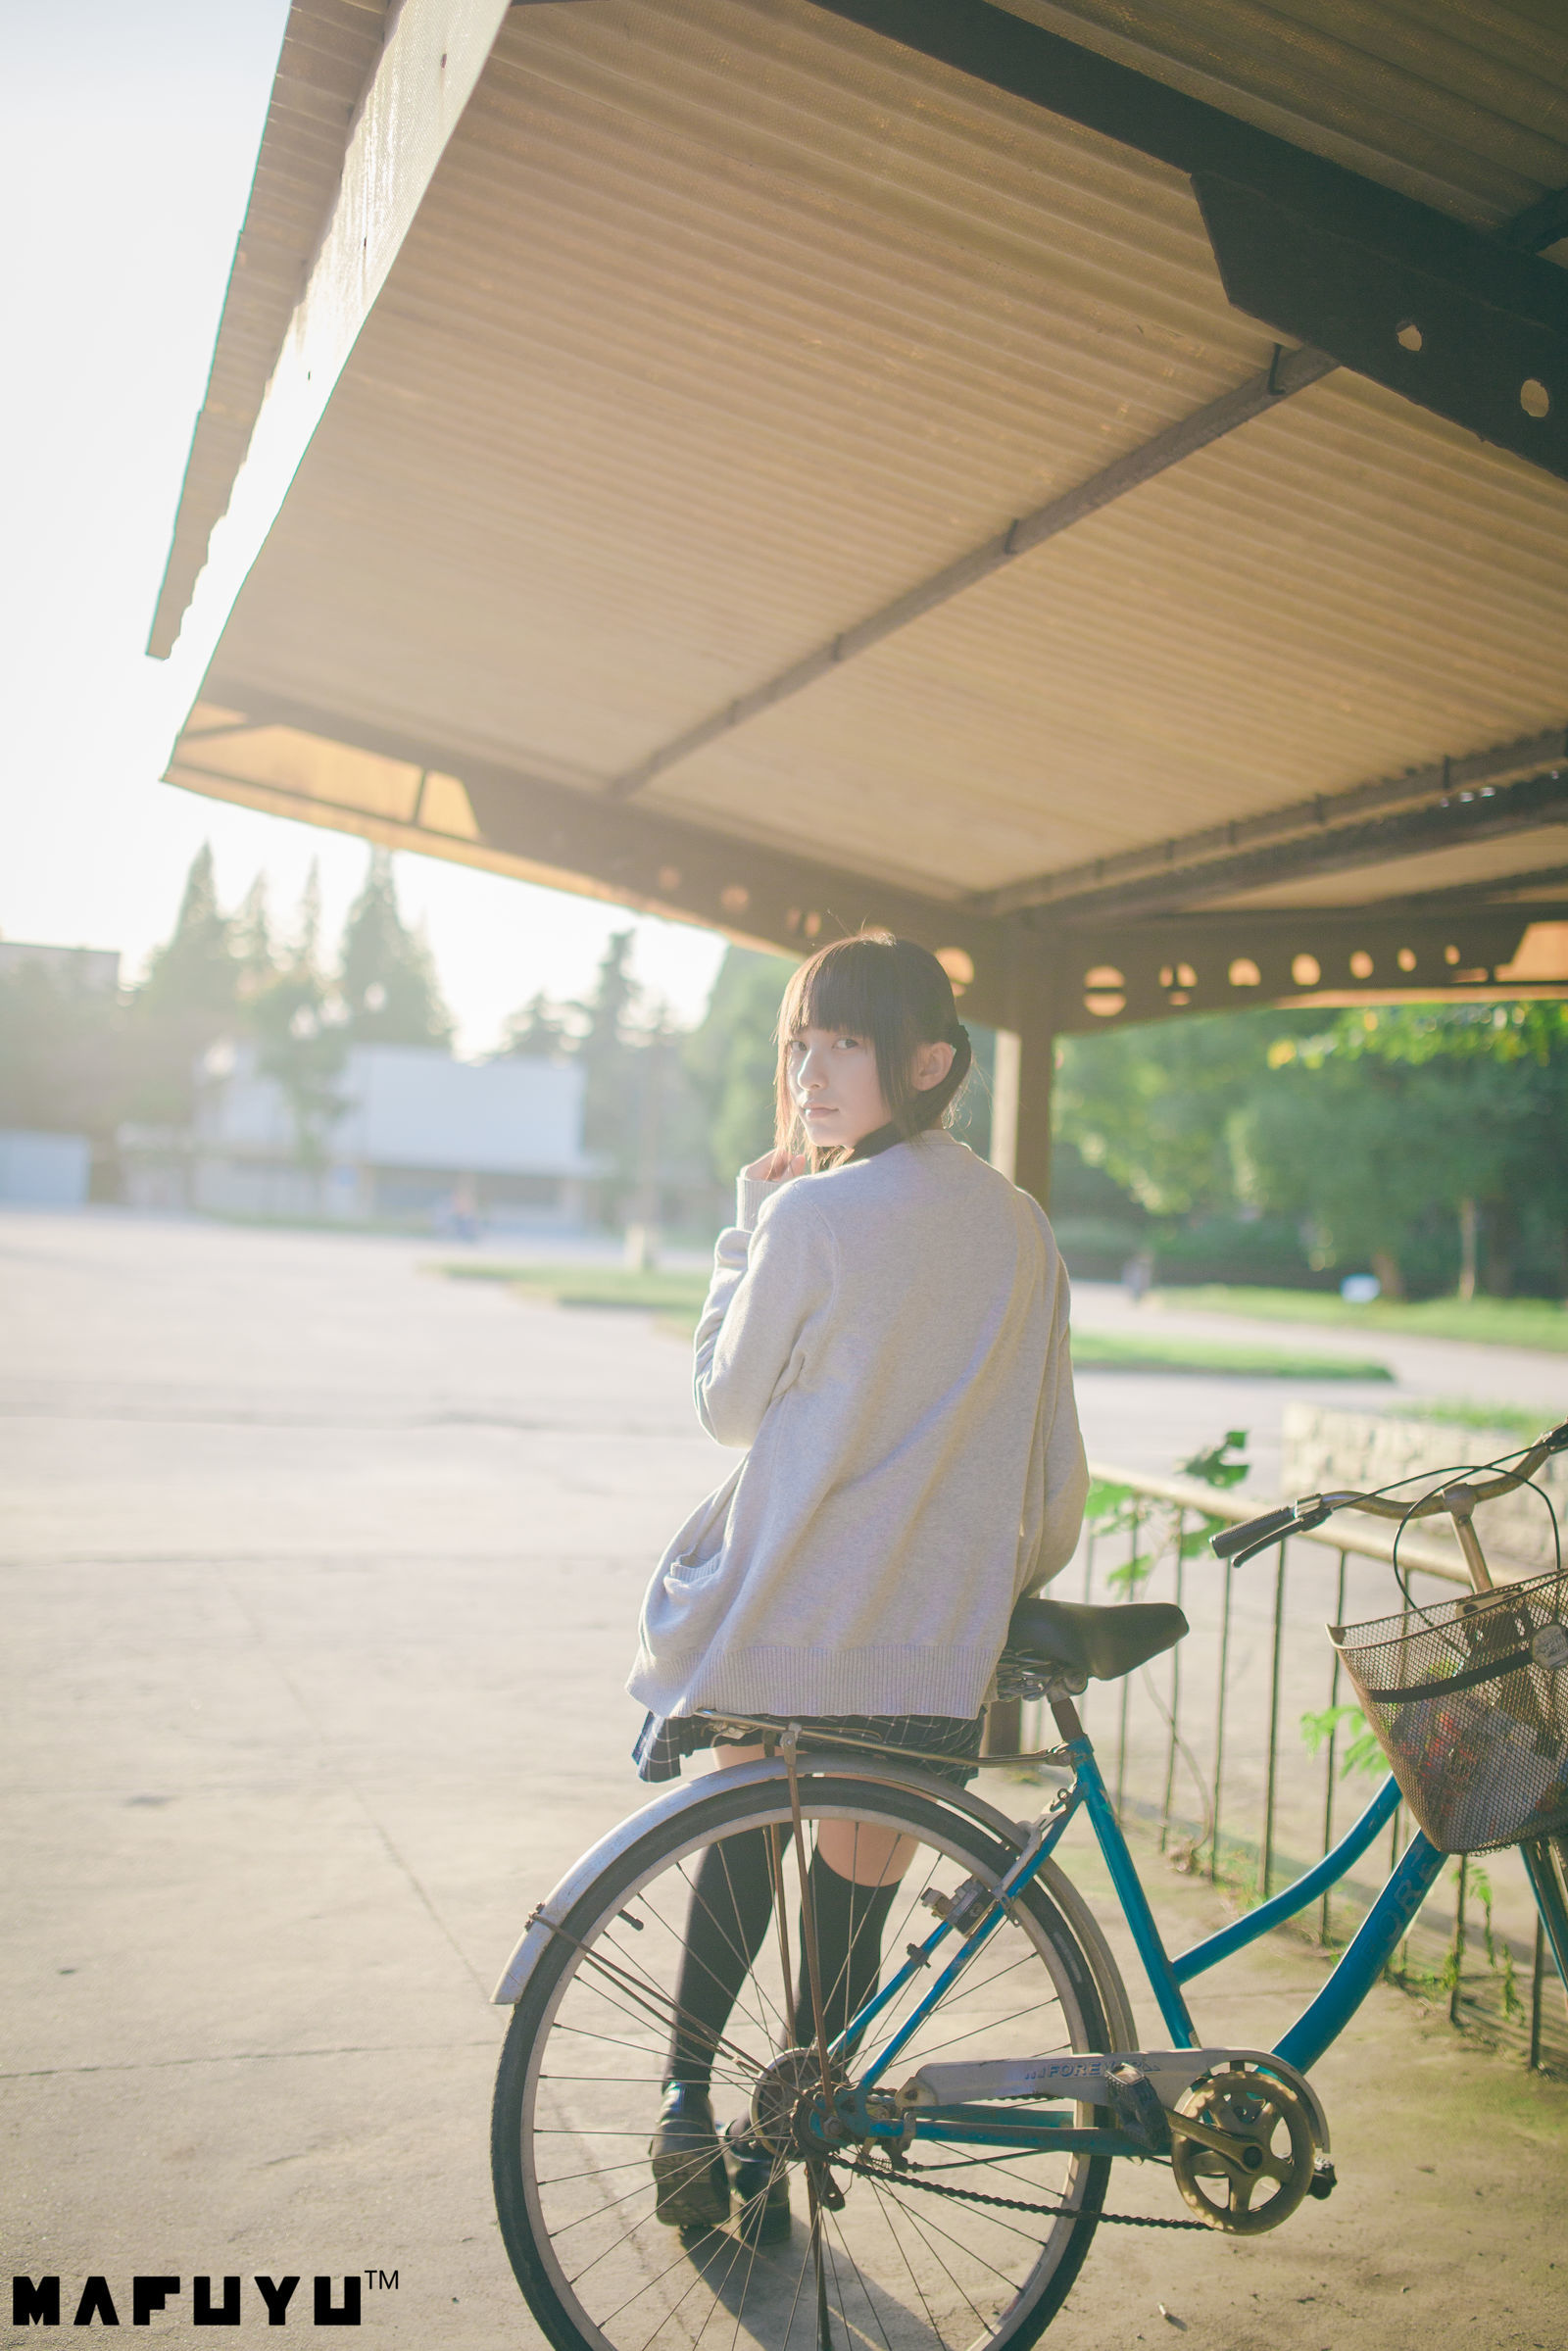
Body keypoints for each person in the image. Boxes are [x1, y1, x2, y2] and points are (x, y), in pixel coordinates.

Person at [626, 932, 1088, 2241]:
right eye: (800, 1043)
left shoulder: (808, 1215)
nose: (812, 1073)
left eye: (846, 1044)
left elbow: (725, 1409)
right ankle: (787, 2134)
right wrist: (1004, 1598)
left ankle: (679, 2101)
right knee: (854, 1897)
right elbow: (1053, 1455)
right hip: (921, 1638)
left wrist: (744, 1226)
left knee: (737, 1847)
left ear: (927, 1063)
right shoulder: (1019, 1223)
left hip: (786, 1618)